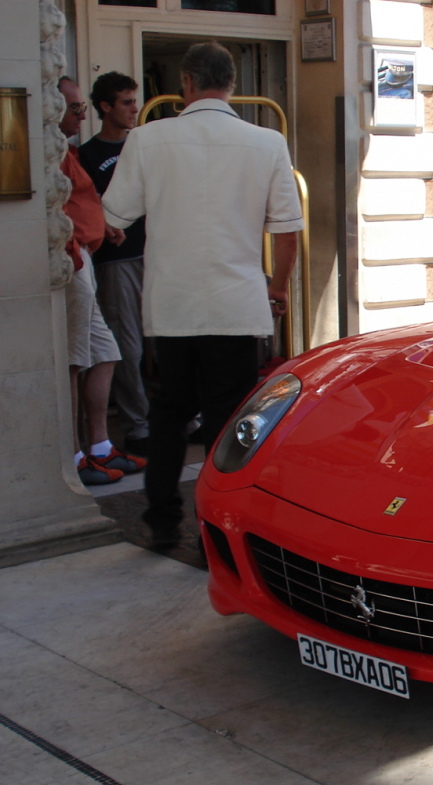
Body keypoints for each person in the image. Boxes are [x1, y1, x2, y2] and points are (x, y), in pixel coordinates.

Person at [102, 41, 303, 548]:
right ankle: (221, 528)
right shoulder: (267, 142)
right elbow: (287, 230)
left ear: (186, 84)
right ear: (231, 84)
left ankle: (163, 519)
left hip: (173, 305)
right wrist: (276, 288)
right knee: (227, 421)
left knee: (169, 414)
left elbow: (113, 217)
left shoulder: (147, 139)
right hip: (237, 304)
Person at [57, 76, 144, 487]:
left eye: (80, 108)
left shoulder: (65, 151)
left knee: (104, 353)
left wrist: (101, 227)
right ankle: (74, 455)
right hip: (73, 263)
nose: (81, 115)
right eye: (74, 109)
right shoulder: (61, 153)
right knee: (75, 360)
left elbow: (80, 203)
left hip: (86, 258)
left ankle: (99, 446)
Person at [79, 71, 149, 456]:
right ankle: (137, 425)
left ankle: (183, 417)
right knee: (127, 345)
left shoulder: (144, 145)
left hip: (155, 253)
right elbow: (83, 207)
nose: (133, 109)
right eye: (125, 102)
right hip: (116, 259)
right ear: (105, 107)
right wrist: (103, 226)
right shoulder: (87, 155)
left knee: (166, 337)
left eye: (134, 101)